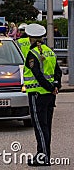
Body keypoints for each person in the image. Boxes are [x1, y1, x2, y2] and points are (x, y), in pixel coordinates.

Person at [24, 23, 62, 166]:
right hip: (50, 96)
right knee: (46, 127)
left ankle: (43, 157)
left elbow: (38, 75)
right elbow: (58, 72)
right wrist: (56, 86)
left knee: (40, 127)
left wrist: (49, 87)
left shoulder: (32, 53)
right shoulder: (50, 52)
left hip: (37, 95)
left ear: (30, 38)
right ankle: (42, 155)